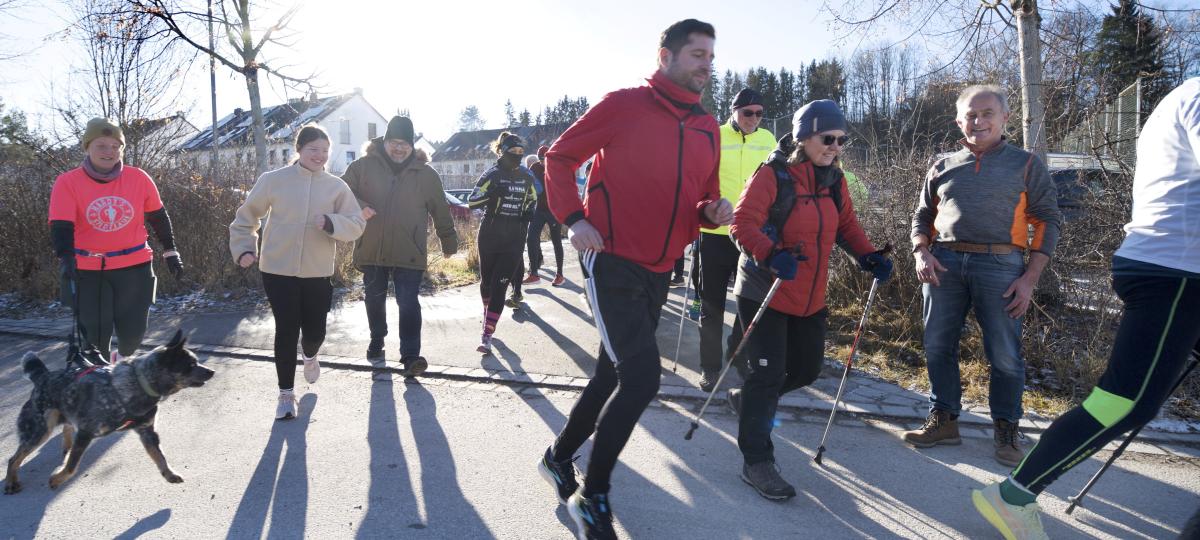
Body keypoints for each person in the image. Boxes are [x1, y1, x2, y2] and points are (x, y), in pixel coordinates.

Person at [973, 77, 1200, 540]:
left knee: (1127, 400)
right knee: (1126, 402)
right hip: (1176, 270)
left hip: (1174, 267)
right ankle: (1013, 496)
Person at [535, 19, 732, 539]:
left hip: (661, 267)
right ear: (664, 55)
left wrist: (714, 211)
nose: (707, 65)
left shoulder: (708, 126)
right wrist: (575, 219)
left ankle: (558, 457)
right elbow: (558, 157)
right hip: (612, 259)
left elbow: (700, 200)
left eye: (711, 56)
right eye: (697, 54)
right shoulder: (624, 105)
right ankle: (593, 495)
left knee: (610, 375)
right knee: (642, 377)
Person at [727, 99, 891, 500]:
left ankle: (749, 400)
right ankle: (757, 461)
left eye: (841, 140)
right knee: (767, 376)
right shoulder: (774, 175)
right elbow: (741, 223)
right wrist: (770, 253)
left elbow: (847, 226)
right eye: (828, 138)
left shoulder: (834, 180)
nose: (836, 146)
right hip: (765, 289)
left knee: (805, 370)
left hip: (809, 296)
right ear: (804, 136)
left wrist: (868, 257)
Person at [905, 84, 1062, 466]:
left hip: (1002, 266)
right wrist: (920, 251)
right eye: (971, 115)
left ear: (1005, 117)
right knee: (938, 345)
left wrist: (1029, 279)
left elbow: (1048, 221)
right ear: (959, 121)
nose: (979, 121)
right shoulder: (942, 164)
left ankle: (1007, 429)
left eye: (987, 113)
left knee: (1005, 354)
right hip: (944, 263)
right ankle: (944, 419)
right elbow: (923, 216)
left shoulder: (1025, 164)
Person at [230, 124, 365, 420]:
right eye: (313, 149)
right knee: (286, 328)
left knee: (315, 330)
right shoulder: (273, 181)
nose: (319, 156)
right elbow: (246, 217)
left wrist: (331, 223)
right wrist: (244, 248)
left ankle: (311, 354)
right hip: (277, 269)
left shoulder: (336, 186)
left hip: (317, 270)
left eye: (324, 151)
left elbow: (356, 224)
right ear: (299, 150)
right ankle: (285, 395)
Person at [49, 117, 185, 363]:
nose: (109, 152)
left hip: (134, 267)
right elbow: (61, 225)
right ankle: (102, 383)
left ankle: (118, 361)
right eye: (101, 145)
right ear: (87, 147)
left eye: (115, 146)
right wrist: (66, 256)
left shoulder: (139, 178)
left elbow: (158, 217)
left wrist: (170, 250)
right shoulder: (67, 182)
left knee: (134, 334)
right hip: (87, 271)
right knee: (95, 337)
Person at [343, 116, 458, 377]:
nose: (398, 148)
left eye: (404, 143)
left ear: (412, 145)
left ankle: (410, 356)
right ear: (384, 142)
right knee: (374, 299)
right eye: (394, 142)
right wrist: (360, 206)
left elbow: (441, 210)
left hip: (410, 249)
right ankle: (377, 338)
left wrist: (448, 240)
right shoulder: (362, 166)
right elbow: (341, 190)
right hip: (372, 247)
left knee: (408, 302)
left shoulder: (426, 174)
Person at [695, 87, 776, 392]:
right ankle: (710, 367)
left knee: (750, 304)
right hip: (715, 234)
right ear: (733, 111)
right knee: (711, 304)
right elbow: (699, 178)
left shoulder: (768, 140)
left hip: (752, 234)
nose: (753, 119)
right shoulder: (715, 136)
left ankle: (736, 356)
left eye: (759, 113)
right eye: (747, 113)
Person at [467, 132, 537, 354]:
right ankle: (488, 313)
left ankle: (487, 334)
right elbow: (472, 201)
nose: (517, 156)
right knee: (487, 283)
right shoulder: (492, 175)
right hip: (490, 235)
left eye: (520, 152)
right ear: (502, 152)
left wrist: (528, 213)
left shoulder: (527, 176)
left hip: (515, 238)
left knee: (500, 286)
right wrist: (492, 195)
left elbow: (534, 199)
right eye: (512, 152)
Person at [519, 145, 567, 287]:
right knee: (531, 238)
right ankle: (534, 273)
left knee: (556, 241)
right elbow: (529, 185)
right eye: (540, 159)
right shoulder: (534, 167)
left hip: (553, 211)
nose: (542, 162)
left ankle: (560, 275)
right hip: (539, 210)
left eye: (544, 159)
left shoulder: (558, 167)